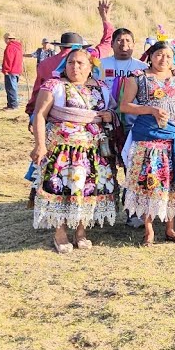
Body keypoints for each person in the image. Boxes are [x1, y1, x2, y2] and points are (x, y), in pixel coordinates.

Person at [29, 48, 118, 252]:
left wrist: (108, 115)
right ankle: (59, 233)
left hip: (94, 150)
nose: (75, 67)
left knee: (87, 189)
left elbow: (112, 110)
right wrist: (40, 145)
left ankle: (80, 231)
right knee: (61, 187)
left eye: (80, 63)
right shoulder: (54, 85)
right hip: (63, 149)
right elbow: (40, 115)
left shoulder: (101, 87)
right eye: (71, 63)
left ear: (90, 67)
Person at [119, 41, 175, 245]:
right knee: (150, 183)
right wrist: (151, 110)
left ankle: (170, 229)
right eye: (158, 55)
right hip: (149, 138)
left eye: (167, 55)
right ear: (150, 56)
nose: (163, 59)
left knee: (173, 184)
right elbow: (125, 106)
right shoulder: (138, 78)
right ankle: (149, 230)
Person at [25, 0, 116, 115]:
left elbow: (37, 91)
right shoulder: (90, 57)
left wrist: (32, 113)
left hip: (51, 114)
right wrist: (105, 19)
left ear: (61, 46)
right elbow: (108, 41)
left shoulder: (45, 63)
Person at [1, 33, 24, 110]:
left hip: (11, 71)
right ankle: (10, 105)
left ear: (8, 39)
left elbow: (8, 60)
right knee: (12, 88)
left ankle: (13, 105)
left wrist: (6, 69)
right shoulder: (18, 47)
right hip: (17, 70)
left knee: (10, 88)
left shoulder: (10, 47)